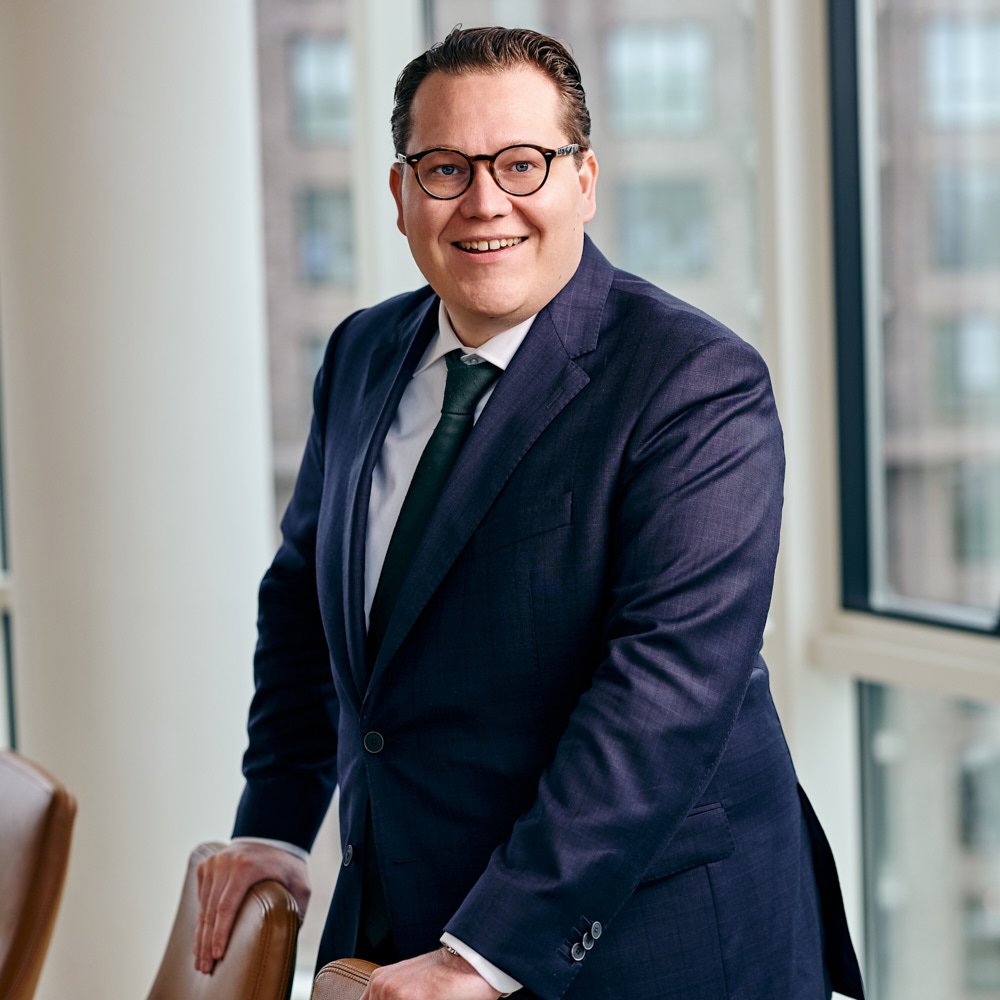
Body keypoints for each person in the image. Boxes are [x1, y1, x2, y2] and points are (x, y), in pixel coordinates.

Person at [195, 25, 865, 1000]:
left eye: (522, 163)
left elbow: (662, 696)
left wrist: (484, 952)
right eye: (445, 168)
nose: (484, 202)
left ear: (583, 181)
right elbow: (303, 601)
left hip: (646, 943)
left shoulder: (694, 381)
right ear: (399, 194)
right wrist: (274, 825)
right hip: (405, 910)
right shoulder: (361, 353)